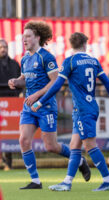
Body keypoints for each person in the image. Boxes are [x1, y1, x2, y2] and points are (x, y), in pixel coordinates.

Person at [31, 32, 109, 191]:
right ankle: (67, 182)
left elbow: (57, 85)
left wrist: (40, 101)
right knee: (74, 145)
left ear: (71, 45)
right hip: (89, 107)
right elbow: (107, 83)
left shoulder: (70, 61)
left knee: (90, 145)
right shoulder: (93, 61)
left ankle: (108, 180)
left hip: (82, 109)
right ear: (85, 44)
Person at [8, 21, 90, 189]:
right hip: (29, 107)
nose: (25, 40)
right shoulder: (25, 59)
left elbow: (55, 82)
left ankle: (80, 160)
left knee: (51, 146)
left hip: (45, 106)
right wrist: (16, 81)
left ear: (38, 37)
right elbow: (25, 80)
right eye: (23, 37)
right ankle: (36, 181)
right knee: (23, 140)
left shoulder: (47, 57)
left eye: (28, 36)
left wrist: (37, 95)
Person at [0, 39, 22, 171]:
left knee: (10, 134)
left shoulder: (14, 64)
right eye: (1, 47)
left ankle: (9, 163)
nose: (3, 49)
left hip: (12, 105)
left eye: (5, 47)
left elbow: (21, 82)